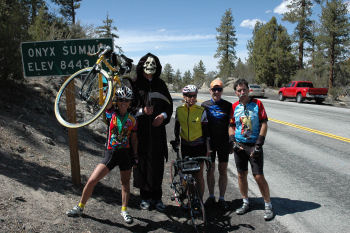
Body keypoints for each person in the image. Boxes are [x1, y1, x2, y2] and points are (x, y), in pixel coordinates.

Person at [66, 86, 138, 224]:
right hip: (110, 153)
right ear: (117, 100)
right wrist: (111, 85)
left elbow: (134, 139)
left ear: (130, 102)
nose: (123, 102)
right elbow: (108, 102)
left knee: (125, 183)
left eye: (126, 100)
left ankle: (124, 210)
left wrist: (135, 155)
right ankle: (80, 207)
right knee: (92, 180)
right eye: (121, 99)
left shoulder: (133, 120)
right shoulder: (110, 113)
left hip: (125, 155)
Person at [132, 53, 173, 211]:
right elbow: (128, 107)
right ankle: (144, 197)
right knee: (142, 164)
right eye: (148, 63)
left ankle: (157, 198)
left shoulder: (161, 84)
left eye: (154, 64)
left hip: (157, 133)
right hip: (140, 132)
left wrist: (163, 116)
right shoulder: (135, 84)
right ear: (142, 65)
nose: (150, 67)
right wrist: (142, 111)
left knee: (157, 165)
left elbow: (169, 106)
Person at [229, 78, 274, 221]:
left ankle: (268, 205)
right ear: (236, 92)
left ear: (248, 90)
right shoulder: (234, 106)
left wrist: (259, 145)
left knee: (258, 175)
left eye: (244, 89)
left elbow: (264, 124)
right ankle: (245, 202)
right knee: (241, 175)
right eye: (239, 90)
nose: (242, 92)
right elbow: (231, 126)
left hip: (254, 145)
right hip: (239, 145)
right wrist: (232, 141)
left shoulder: (258, 104)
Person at [173, 85, 210, 199]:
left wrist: (208, 149)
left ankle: (199, 201)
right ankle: (190, 200)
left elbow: (206, 133)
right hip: (186, 146)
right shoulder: (179, 110)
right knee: (188, 175)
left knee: (198, 175)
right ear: (184, 96)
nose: (192, 98)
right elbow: (176, 127)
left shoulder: (201, 111)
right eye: (189, 96)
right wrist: (176, 140)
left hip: (199, 146)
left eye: (194, 96)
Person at [201, 78, 232, 210]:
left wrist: (232, 141)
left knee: (223, 170)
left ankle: (222, 198)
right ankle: (212, 196)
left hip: (224, 143)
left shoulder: (228, 106)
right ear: (210, 90)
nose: (216, 91)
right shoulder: (204, 105)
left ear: (222, 91)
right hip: (210, 143)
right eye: (214, 89)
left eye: (219, 89)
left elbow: (232, 124)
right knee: (210, 170)